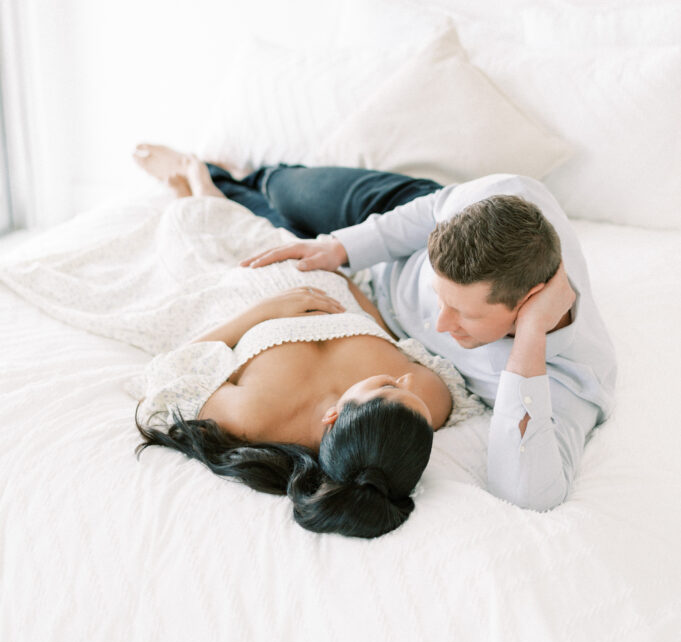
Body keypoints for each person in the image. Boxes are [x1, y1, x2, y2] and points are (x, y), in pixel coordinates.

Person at [134, 144, 617, 512]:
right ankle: (241, 176)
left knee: (264, 221)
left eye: (465, 315)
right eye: (441, 297)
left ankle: (208, 181)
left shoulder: (571, 376)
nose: (441, 325)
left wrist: (530, 339)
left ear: (529, 303)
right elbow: (432, 211)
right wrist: (339, 249)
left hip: (356, 299)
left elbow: (529, 495)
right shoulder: (508, 197)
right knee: (287, 190)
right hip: (384, 241)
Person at [131, 145, 485, 539]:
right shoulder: (423, 405)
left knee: (199, 223)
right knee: (277, 205)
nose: (405, 381)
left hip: (247, 283)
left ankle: (195, 178)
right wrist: (349, 288)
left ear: (333, 415)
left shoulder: (254, 420)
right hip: (327, 264)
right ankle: (219, 179)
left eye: (388, 386)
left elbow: (171, 368)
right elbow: (390, 333)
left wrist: (265, 311)